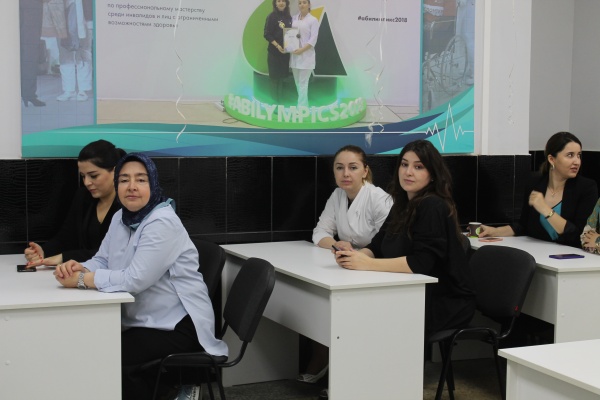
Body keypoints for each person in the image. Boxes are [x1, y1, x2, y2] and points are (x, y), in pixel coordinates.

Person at [53, 153, 228, 400]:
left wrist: (84, 280)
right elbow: (102, 259)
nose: (132, 186)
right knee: (93, 347)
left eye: (141, 179)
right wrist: (78, 268)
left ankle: (173, 386)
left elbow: (134, 280)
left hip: (178, 324)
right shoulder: (121, 217)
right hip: (144, 318)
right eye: (124, 180)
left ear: (153, 184)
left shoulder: (162, 222)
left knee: (110, 358)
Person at [334, 139, 476, 337]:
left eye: (418, 167)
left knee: (364, 319)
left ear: (432, 174)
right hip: (411, 291)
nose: (408, 172)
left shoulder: (433, 206)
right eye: (404, 164)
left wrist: (367, 264)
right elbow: (378, 245)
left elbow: (421, 263)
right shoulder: (402, 203)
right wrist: (354, 256)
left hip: (443, 301)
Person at [300, 145, 392, 385]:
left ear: (365, 171)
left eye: (353, 167)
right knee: (319, 302)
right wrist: (337, 245)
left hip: (378, 269)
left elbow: (389, 242)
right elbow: (320, 232)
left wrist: (360, 255)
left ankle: (349, 377)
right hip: (349, 266)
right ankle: (324, 357)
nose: (346, 174)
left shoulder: (378, 199)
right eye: (339, 168)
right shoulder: (338, 195)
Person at [479, 132, 598, 248]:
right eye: (570, 155)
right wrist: (494, 231)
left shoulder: (587, 188)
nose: (577, 161)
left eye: (579, 155)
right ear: (552, 159)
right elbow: (522, 226)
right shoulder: (534, 182)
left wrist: (546, 210)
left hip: (572, 255)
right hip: (539, 252)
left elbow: (579, 235)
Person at [24, 139, 125, 268]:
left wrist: (63, 257)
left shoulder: (128, 204)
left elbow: (113, 253)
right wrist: (43, 252)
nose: (87, 182)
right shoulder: (83, 197)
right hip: (80, 273)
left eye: (93, 176)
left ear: (116, 172)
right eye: (83, 176)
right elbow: (66, 237)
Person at [290, 0, 319, 108]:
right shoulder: (294, 18)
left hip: (306, 56)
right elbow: (290, 34)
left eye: (304, 2)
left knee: (303, 83)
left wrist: (302, 50)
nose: (302, 5)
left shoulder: (313, 20)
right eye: (300, 3)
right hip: (294, 55)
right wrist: (289, 46)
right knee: (297, 82)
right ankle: (304, 105)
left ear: (309, 5)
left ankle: (301, 108)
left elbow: (313, 39)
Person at [264, 0, 292, 104]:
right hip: (274, 54)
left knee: (282, 79)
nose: (281, 3)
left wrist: (290, 46)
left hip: (285, 54)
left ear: (286, 3)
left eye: (283, 1)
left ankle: (280, 104)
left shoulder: (289, 17)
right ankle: (274, 105)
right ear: (275, 3)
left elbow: (291, 35)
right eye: (278, 1)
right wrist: (277, 46)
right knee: (274, 79)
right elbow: (267, 34)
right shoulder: (271, 16)